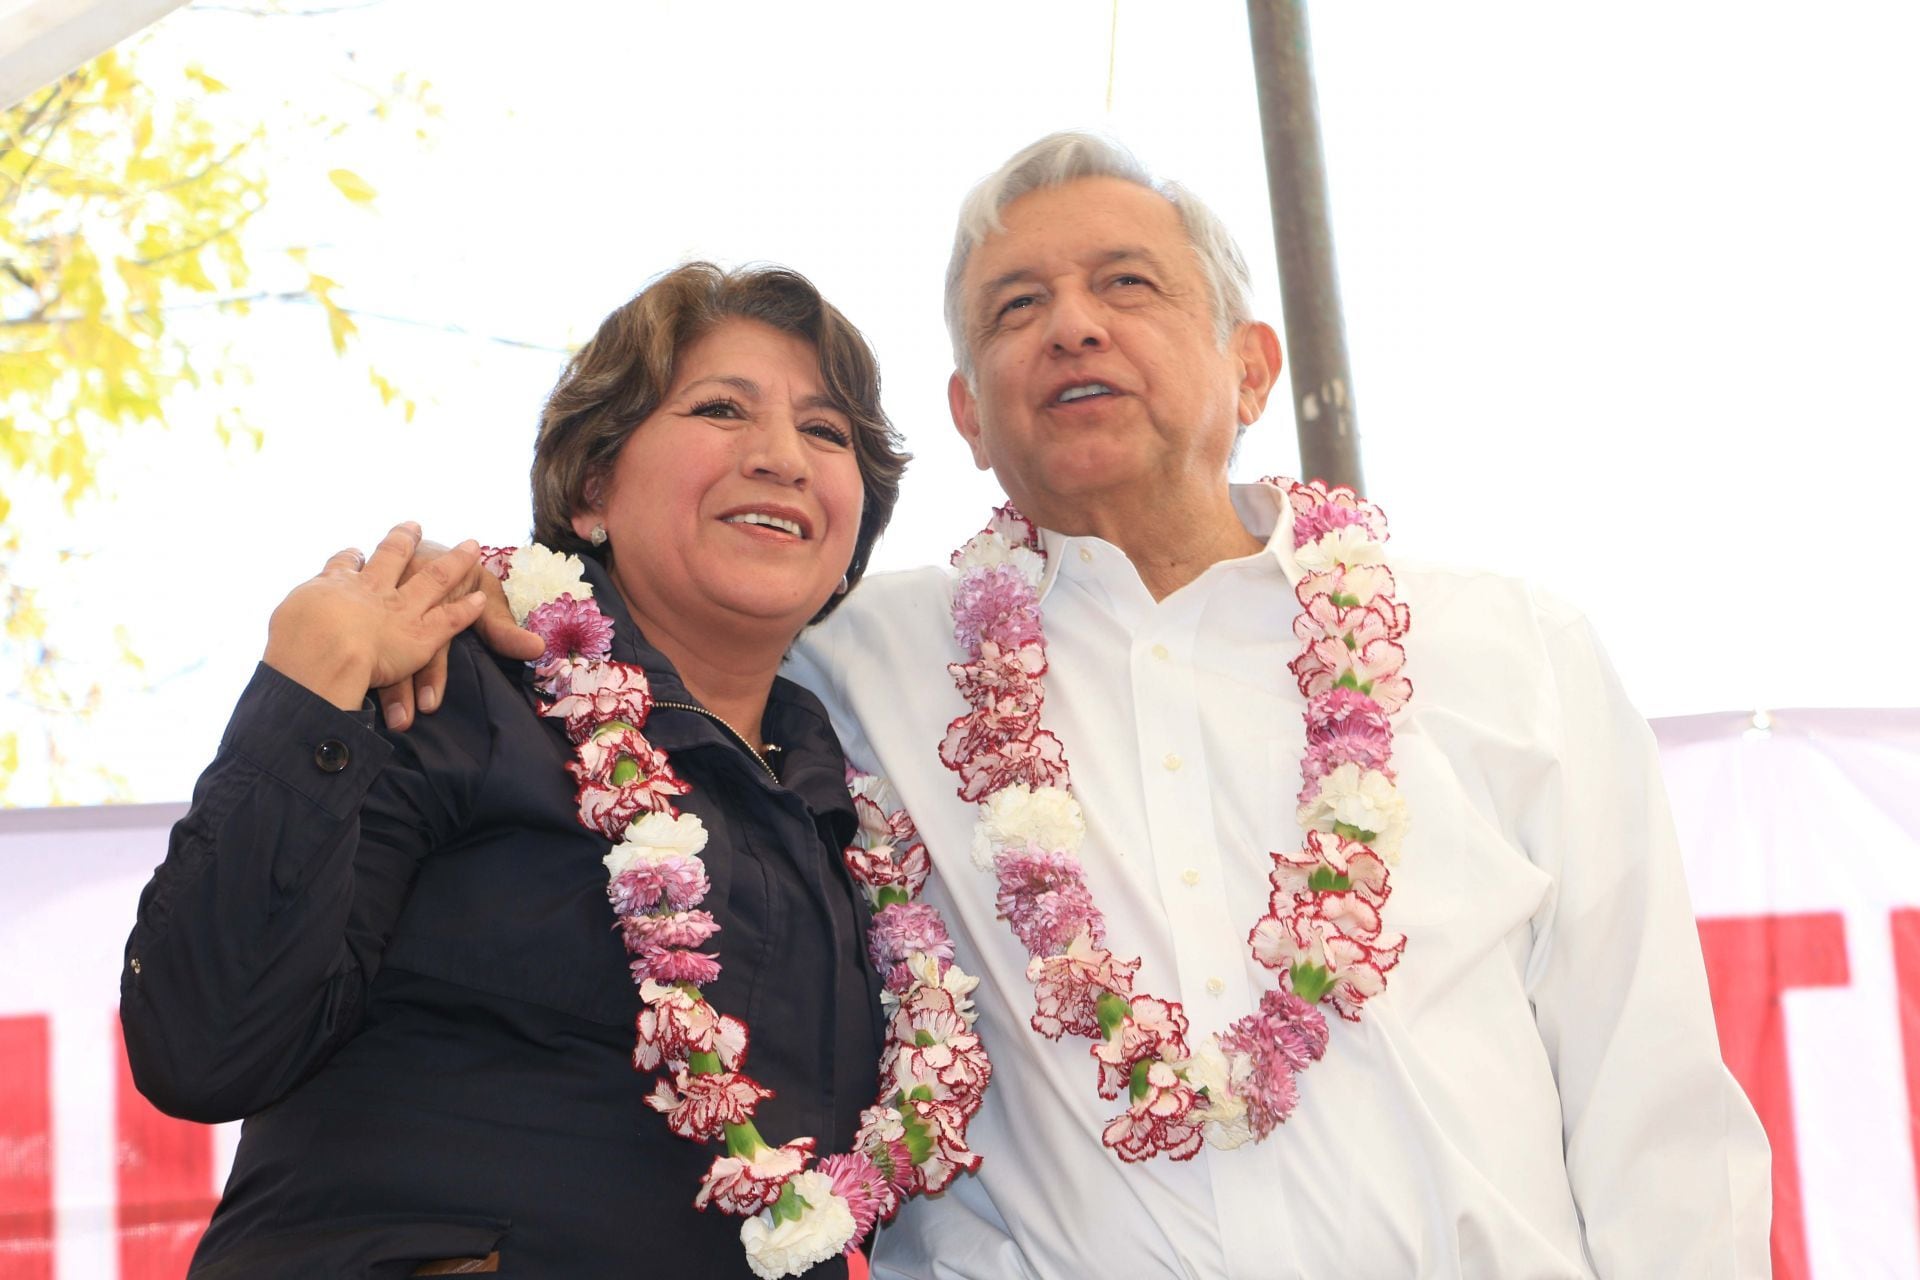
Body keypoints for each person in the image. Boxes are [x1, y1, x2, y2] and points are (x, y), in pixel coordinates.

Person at [398, 136, 1771, 1276]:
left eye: (1128, 283)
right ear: (972, 418)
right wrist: (435, 598)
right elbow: (649, 591)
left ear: (1248, 367)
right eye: (1015, 308)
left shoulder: (1504, 646)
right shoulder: (852, 654)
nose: (1072, 323)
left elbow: (1647, 1099)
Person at [119, 263, 919, 1278]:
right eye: (722, 407)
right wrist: (312, 686)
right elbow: (203, 1042)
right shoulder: (456, 688)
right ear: (593, 490)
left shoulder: (851, 813)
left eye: (828, 432)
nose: (782, 457)